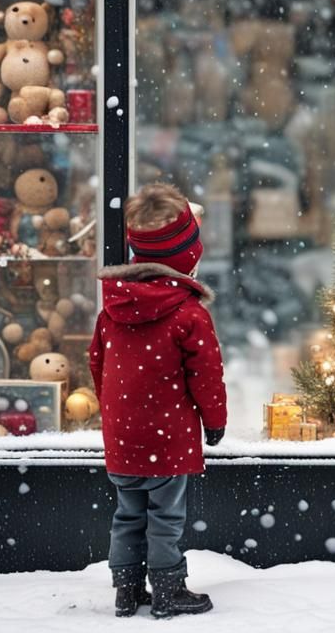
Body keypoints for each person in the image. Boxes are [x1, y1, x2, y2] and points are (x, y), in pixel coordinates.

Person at [89, 182, 227, 618]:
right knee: (165, 516)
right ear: (188, 255)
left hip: (123, 435)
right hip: (167, 438)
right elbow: (206, 374)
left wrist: (114, 410)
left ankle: (126, 591)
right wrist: (215, 420)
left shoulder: (112, 307)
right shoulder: (188, 314)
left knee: (127, 514)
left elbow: (97, 363)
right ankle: (168, 588)